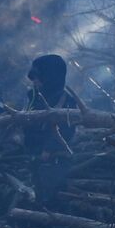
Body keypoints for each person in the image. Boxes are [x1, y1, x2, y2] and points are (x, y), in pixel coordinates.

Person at [24, 54, 78, 209]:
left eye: (37, 77)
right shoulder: (35, 98)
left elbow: (67, 129)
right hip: (35, 154)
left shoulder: (65, 100)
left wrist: (49, 148)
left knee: (52, 196)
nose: (34, 81)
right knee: (38, 194)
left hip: (55, 158)